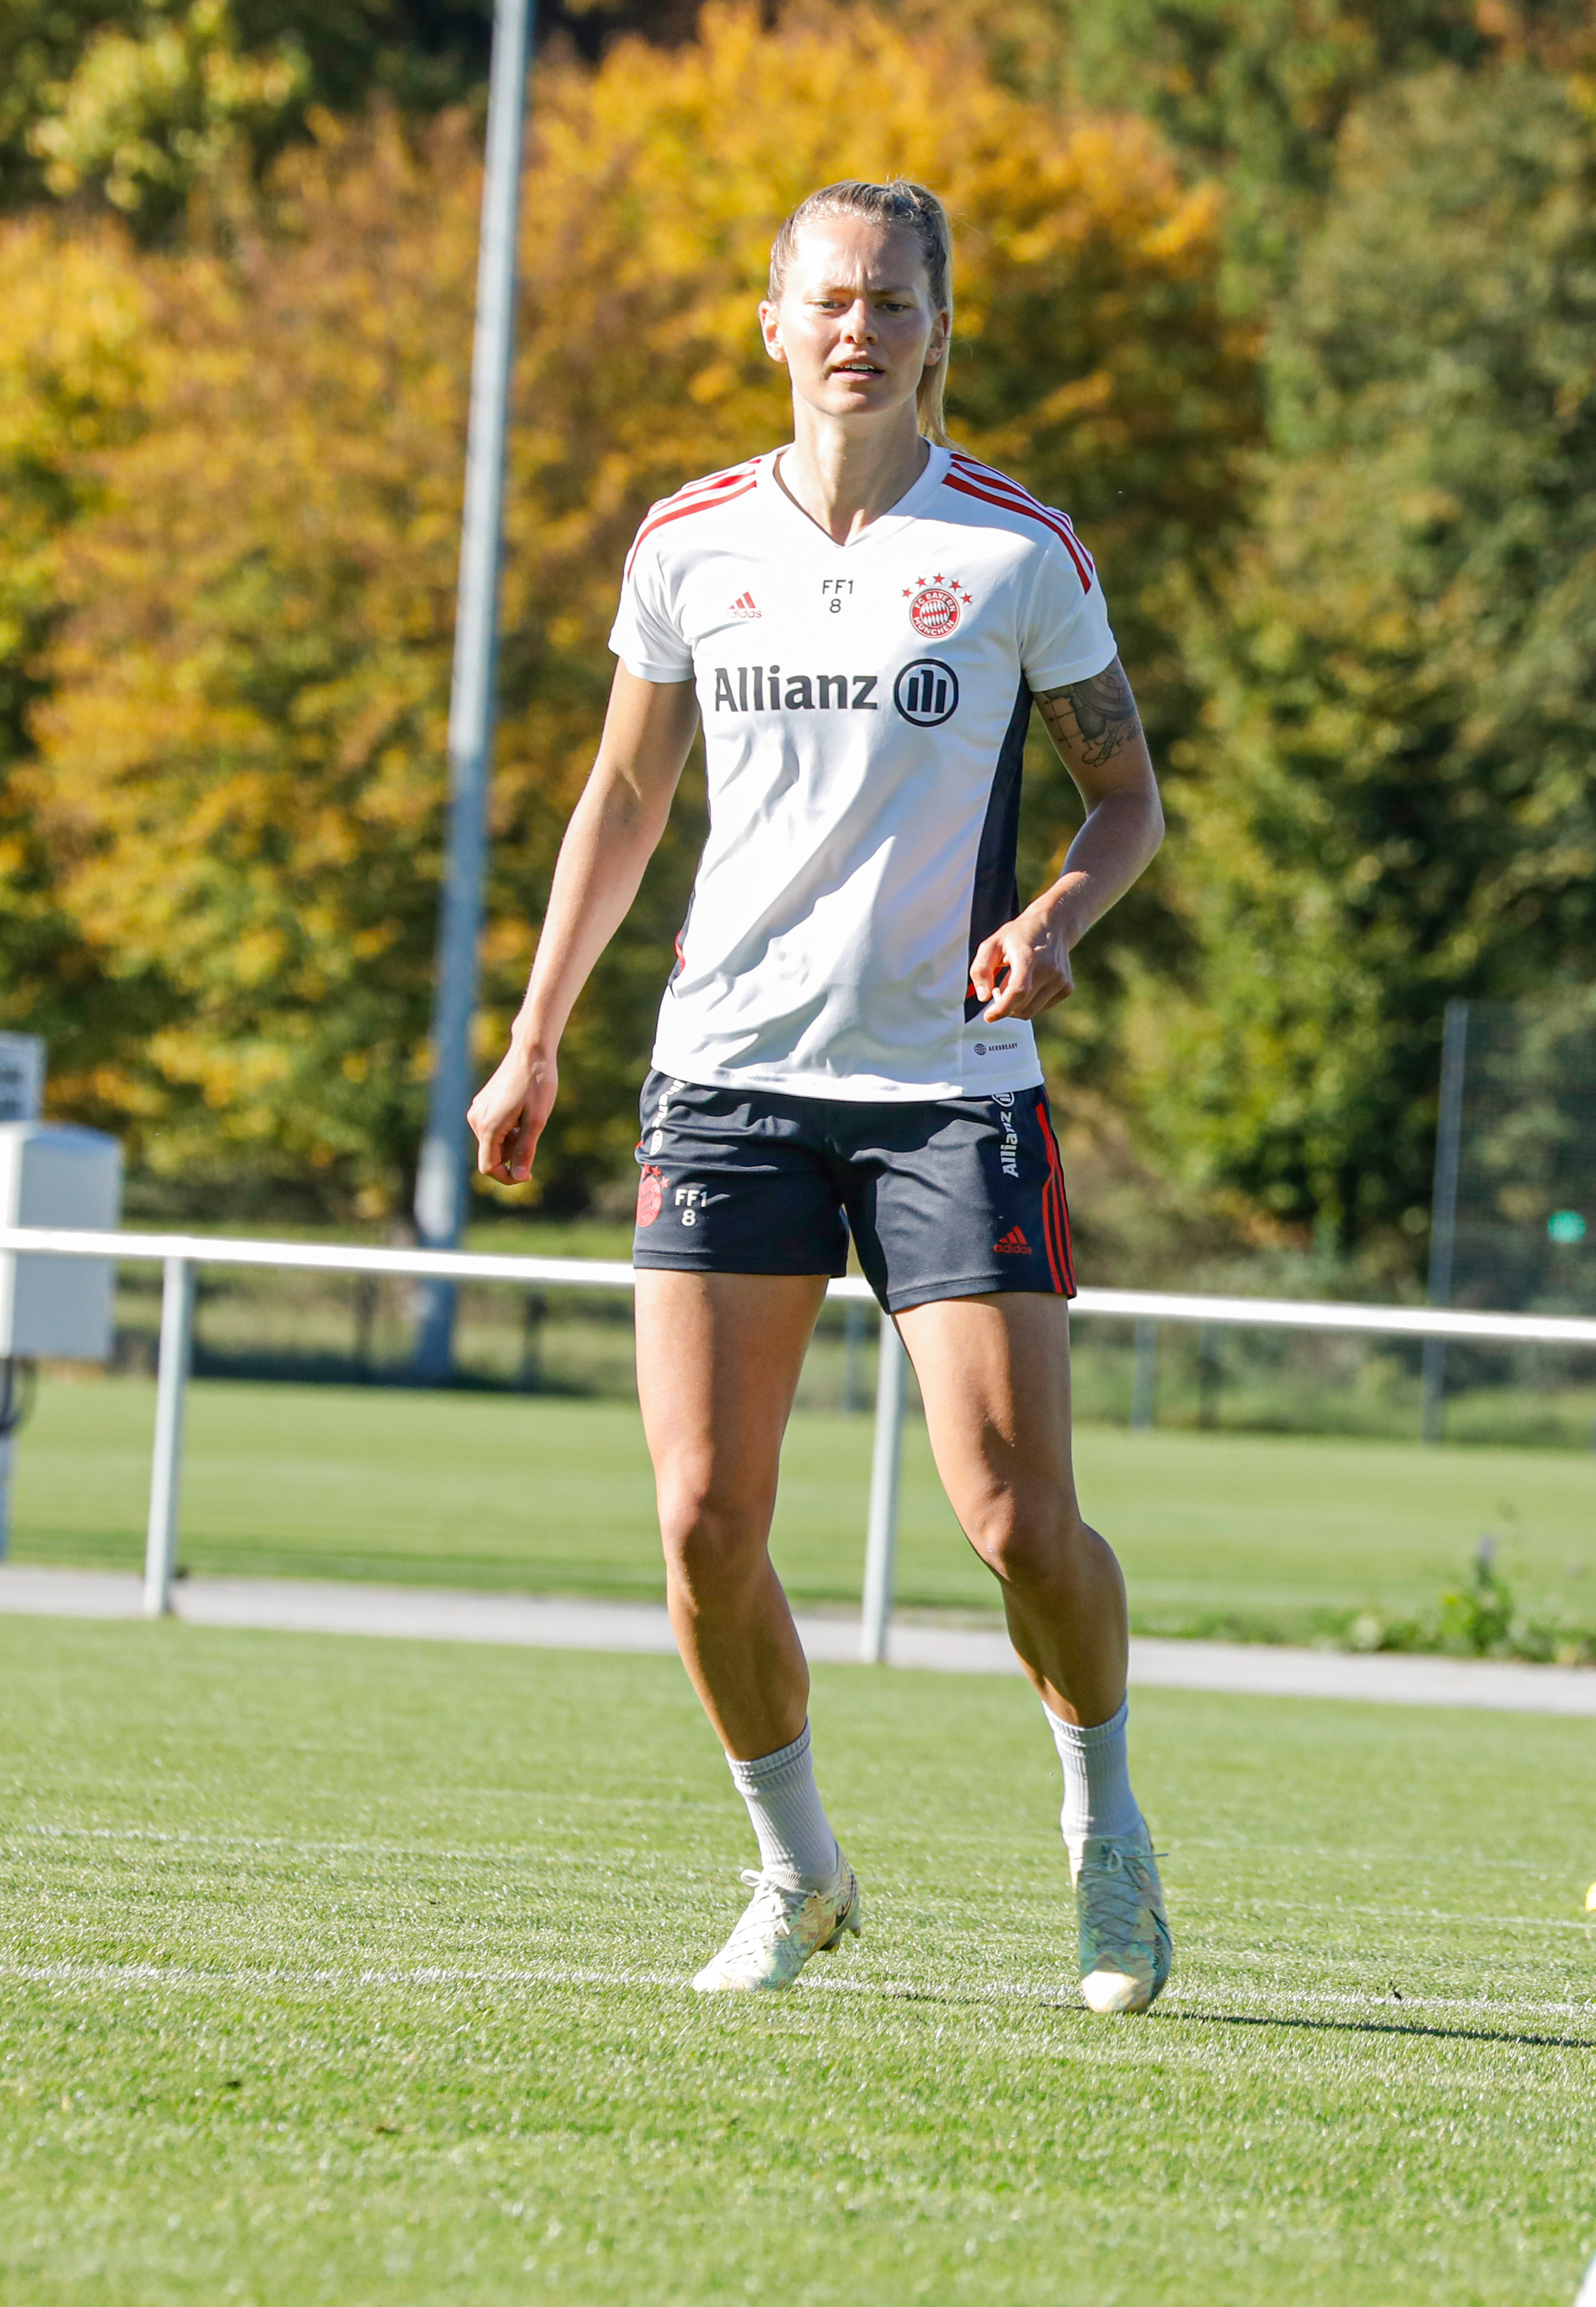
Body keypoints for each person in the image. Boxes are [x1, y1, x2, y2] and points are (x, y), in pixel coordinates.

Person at [466, 177, 1172, 2015]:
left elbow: (1127, 799)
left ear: (944, 332)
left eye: (895, 300)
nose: (859, 327)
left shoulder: (1020, 550)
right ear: (772, 323)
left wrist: (1057, 917)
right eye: (829, 299)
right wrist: (536, 1032)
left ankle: (1106, 1828)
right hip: (728, 1081)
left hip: (950, 1088)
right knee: (703, 1524)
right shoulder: (690, 542)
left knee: (1016, 1517)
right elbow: (623, 804)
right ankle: (797, 1874)